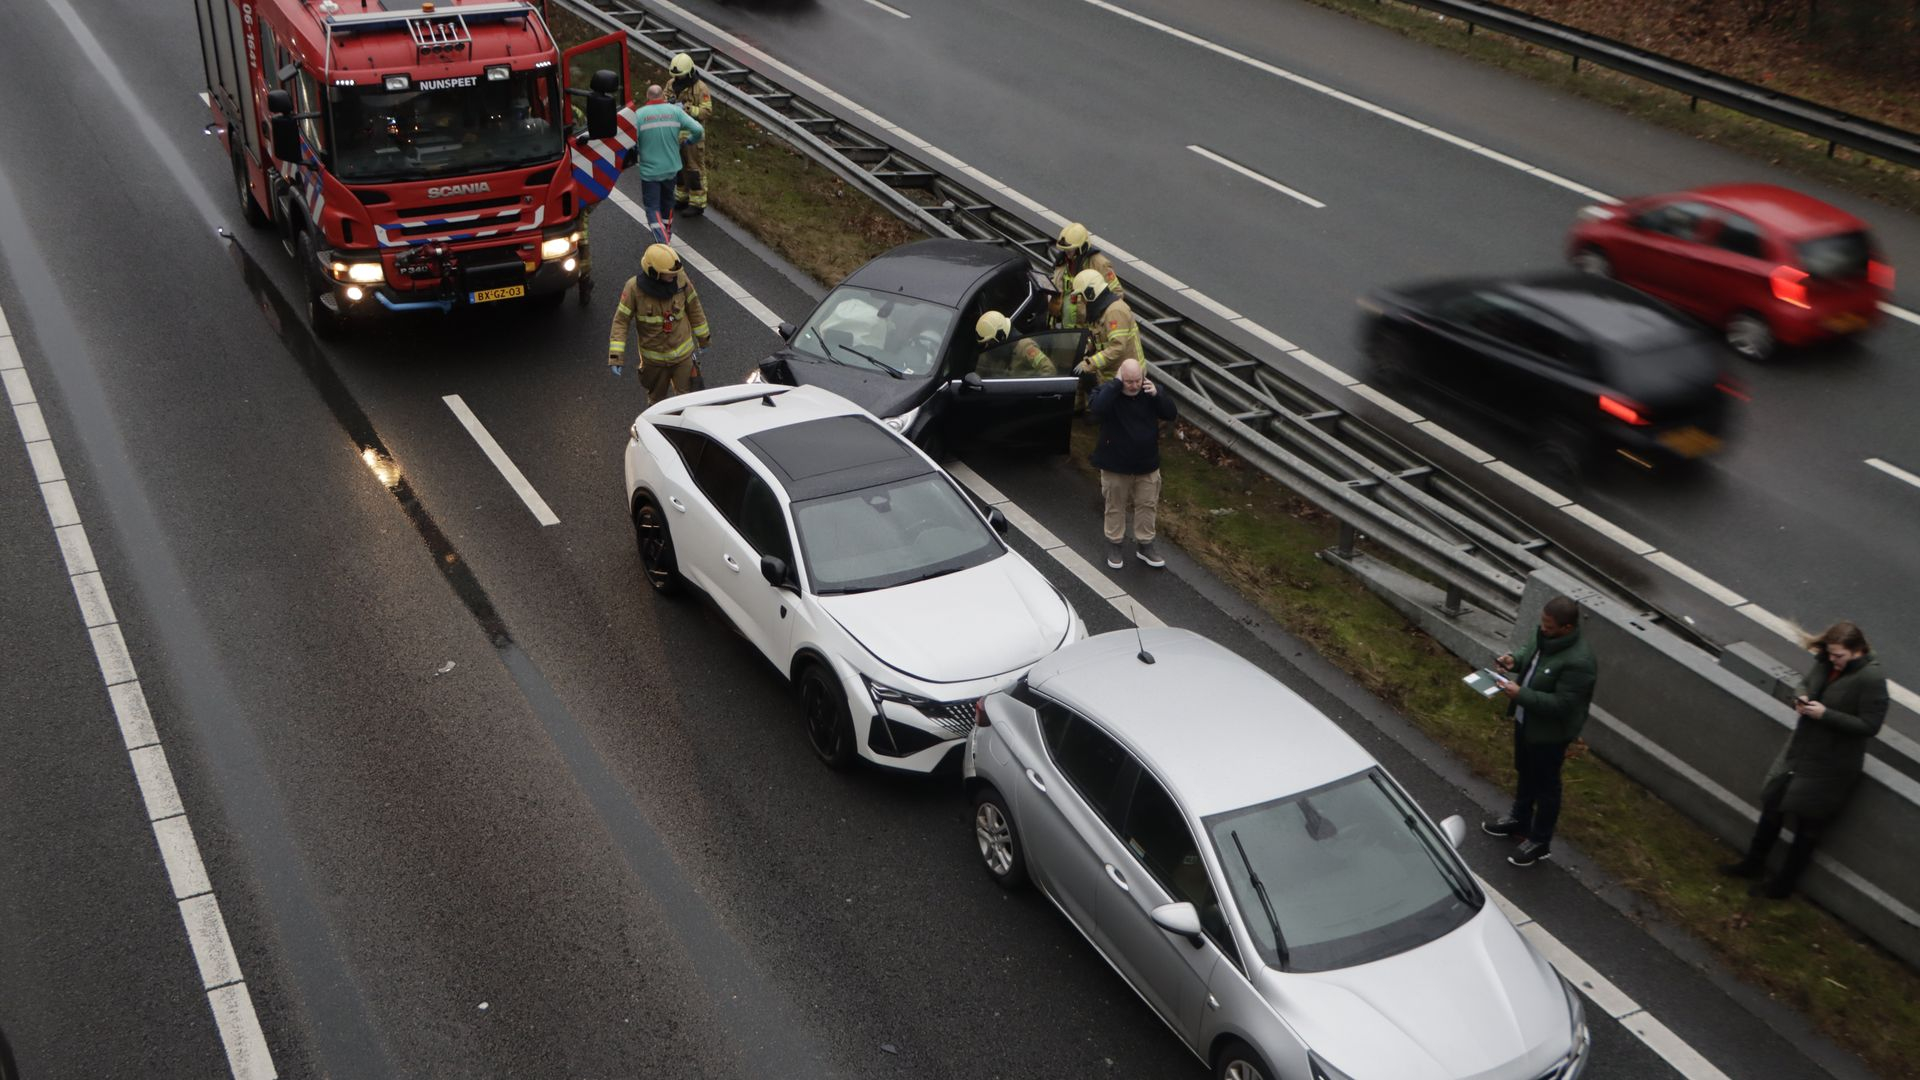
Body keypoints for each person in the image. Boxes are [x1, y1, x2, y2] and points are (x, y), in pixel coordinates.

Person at [1722, 622, 1887, 899]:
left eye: (1839, 656)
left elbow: (1870, 726)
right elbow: (1807, 682)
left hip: (1832, 764)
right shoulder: (1825, 662)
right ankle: (1753, 863)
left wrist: (1826, 715)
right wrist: (1802, 696)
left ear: (1857, 651)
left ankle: (1782, 885)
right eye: (1831, 654)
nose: (1833, 660)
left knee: (1808, 826)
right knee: (1772, 803)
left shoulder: (1871, 680)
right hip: (1801, 752)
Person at [1480, 595, 1597, 867]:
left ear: (1566, 628)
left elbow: (1563, 706)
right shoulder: (1545, 636)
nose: (1542, 629)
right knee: (1525, 771)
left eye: (1549, 626)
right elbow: (1529, 654)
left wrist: (1521, 694)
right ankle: (1519, 818)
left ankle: (1540, 841)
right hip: (1526, 723)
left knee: (1547, 787)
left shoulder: (1580, 663)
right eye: (1542, 624)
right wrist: (1513, 661)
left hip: (1550, 734)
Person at [1090, 358, 1175, 570]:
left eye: (1138, 380)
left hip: (1146, 465)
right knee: (1115, 506)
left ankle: (1145, 545)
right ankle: (1115, 543)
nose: (1134, 385)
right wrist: (1116, 385)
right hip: (1115, 465)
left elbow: (1171, 413)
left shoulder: (1151, 393)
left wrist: (1159, 395)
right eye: (1129, 381)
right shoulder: (1108, 392)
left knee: (1147, 505)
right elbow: (1097, 409)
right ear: (1121, 378)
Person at [607, 243, 711, 406]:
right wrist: (616, 357)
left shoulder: (680, 280)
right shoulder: (633, 289)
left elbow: (694, 307)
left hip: (682, 357)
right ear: (654, 273)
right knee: (656, 404)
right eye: (668, 274)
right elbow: (621, 322)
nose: (674, 277)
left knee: (687, 402)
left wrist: (704, 338)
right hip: (654, 363)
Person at [634, 84, 703, 243]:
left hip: (650, 172)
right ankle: (667, 234)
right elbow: (698, 130)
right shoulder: (675, 112)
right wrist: (688, 142)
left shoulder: (639, 115)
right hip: (671, 169)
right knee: (667, 204)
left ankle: (663, 241)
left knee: (652, 208)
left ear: (647, 96)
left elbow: (631, 142)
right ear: (663, 97)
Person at [1049, 222, 1123, 330]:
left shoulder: (1099, 264)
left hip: (1087, 330)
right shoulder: (1062, 264)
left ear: (1082, 247)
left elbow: (1116, 294)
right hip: (1065, 329)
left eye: (1070, 250)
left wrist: (1099, 323)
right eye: (1065, 250)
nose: (1067, 253)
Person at [669, 53, 714, 216]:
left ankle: (697, 203)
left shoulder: (701, 88)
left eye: (680, 76)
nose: (677, 79)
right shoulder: (671, 84)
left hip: (693, 135)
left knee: (694, 169)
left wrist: (688, 109)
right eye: (675, 76)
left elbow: (707, 111)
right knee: (678, 168)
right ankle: (681, 198)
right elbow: (664, 99)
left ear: (688, 73)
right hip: (675, 133)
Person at [974, 311, 1056, 376]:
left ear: (1001, 336)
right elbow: (979, 375)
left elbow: (1049, 369)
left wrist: (1031, 391)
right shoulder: (990, 353)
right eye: (986, 342)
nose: (988, 345)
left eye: (990, 342)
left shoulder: (1025, 346)